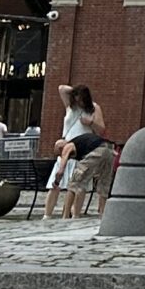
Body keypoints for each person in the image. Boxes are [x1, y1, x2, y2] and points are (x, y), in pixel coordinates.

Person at [53, 84, 110, 218]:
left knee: (77, 183)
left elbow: (101, 130)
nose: (78, 101)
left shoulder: (94, 108)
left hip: (89, 151)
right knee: (86, 183)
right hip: (100, 148)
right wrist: (76, 92)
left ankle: (70, 214)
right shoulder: (71, 108)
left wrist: (90, 123)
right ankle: (97, 213)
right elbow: (61, 88)